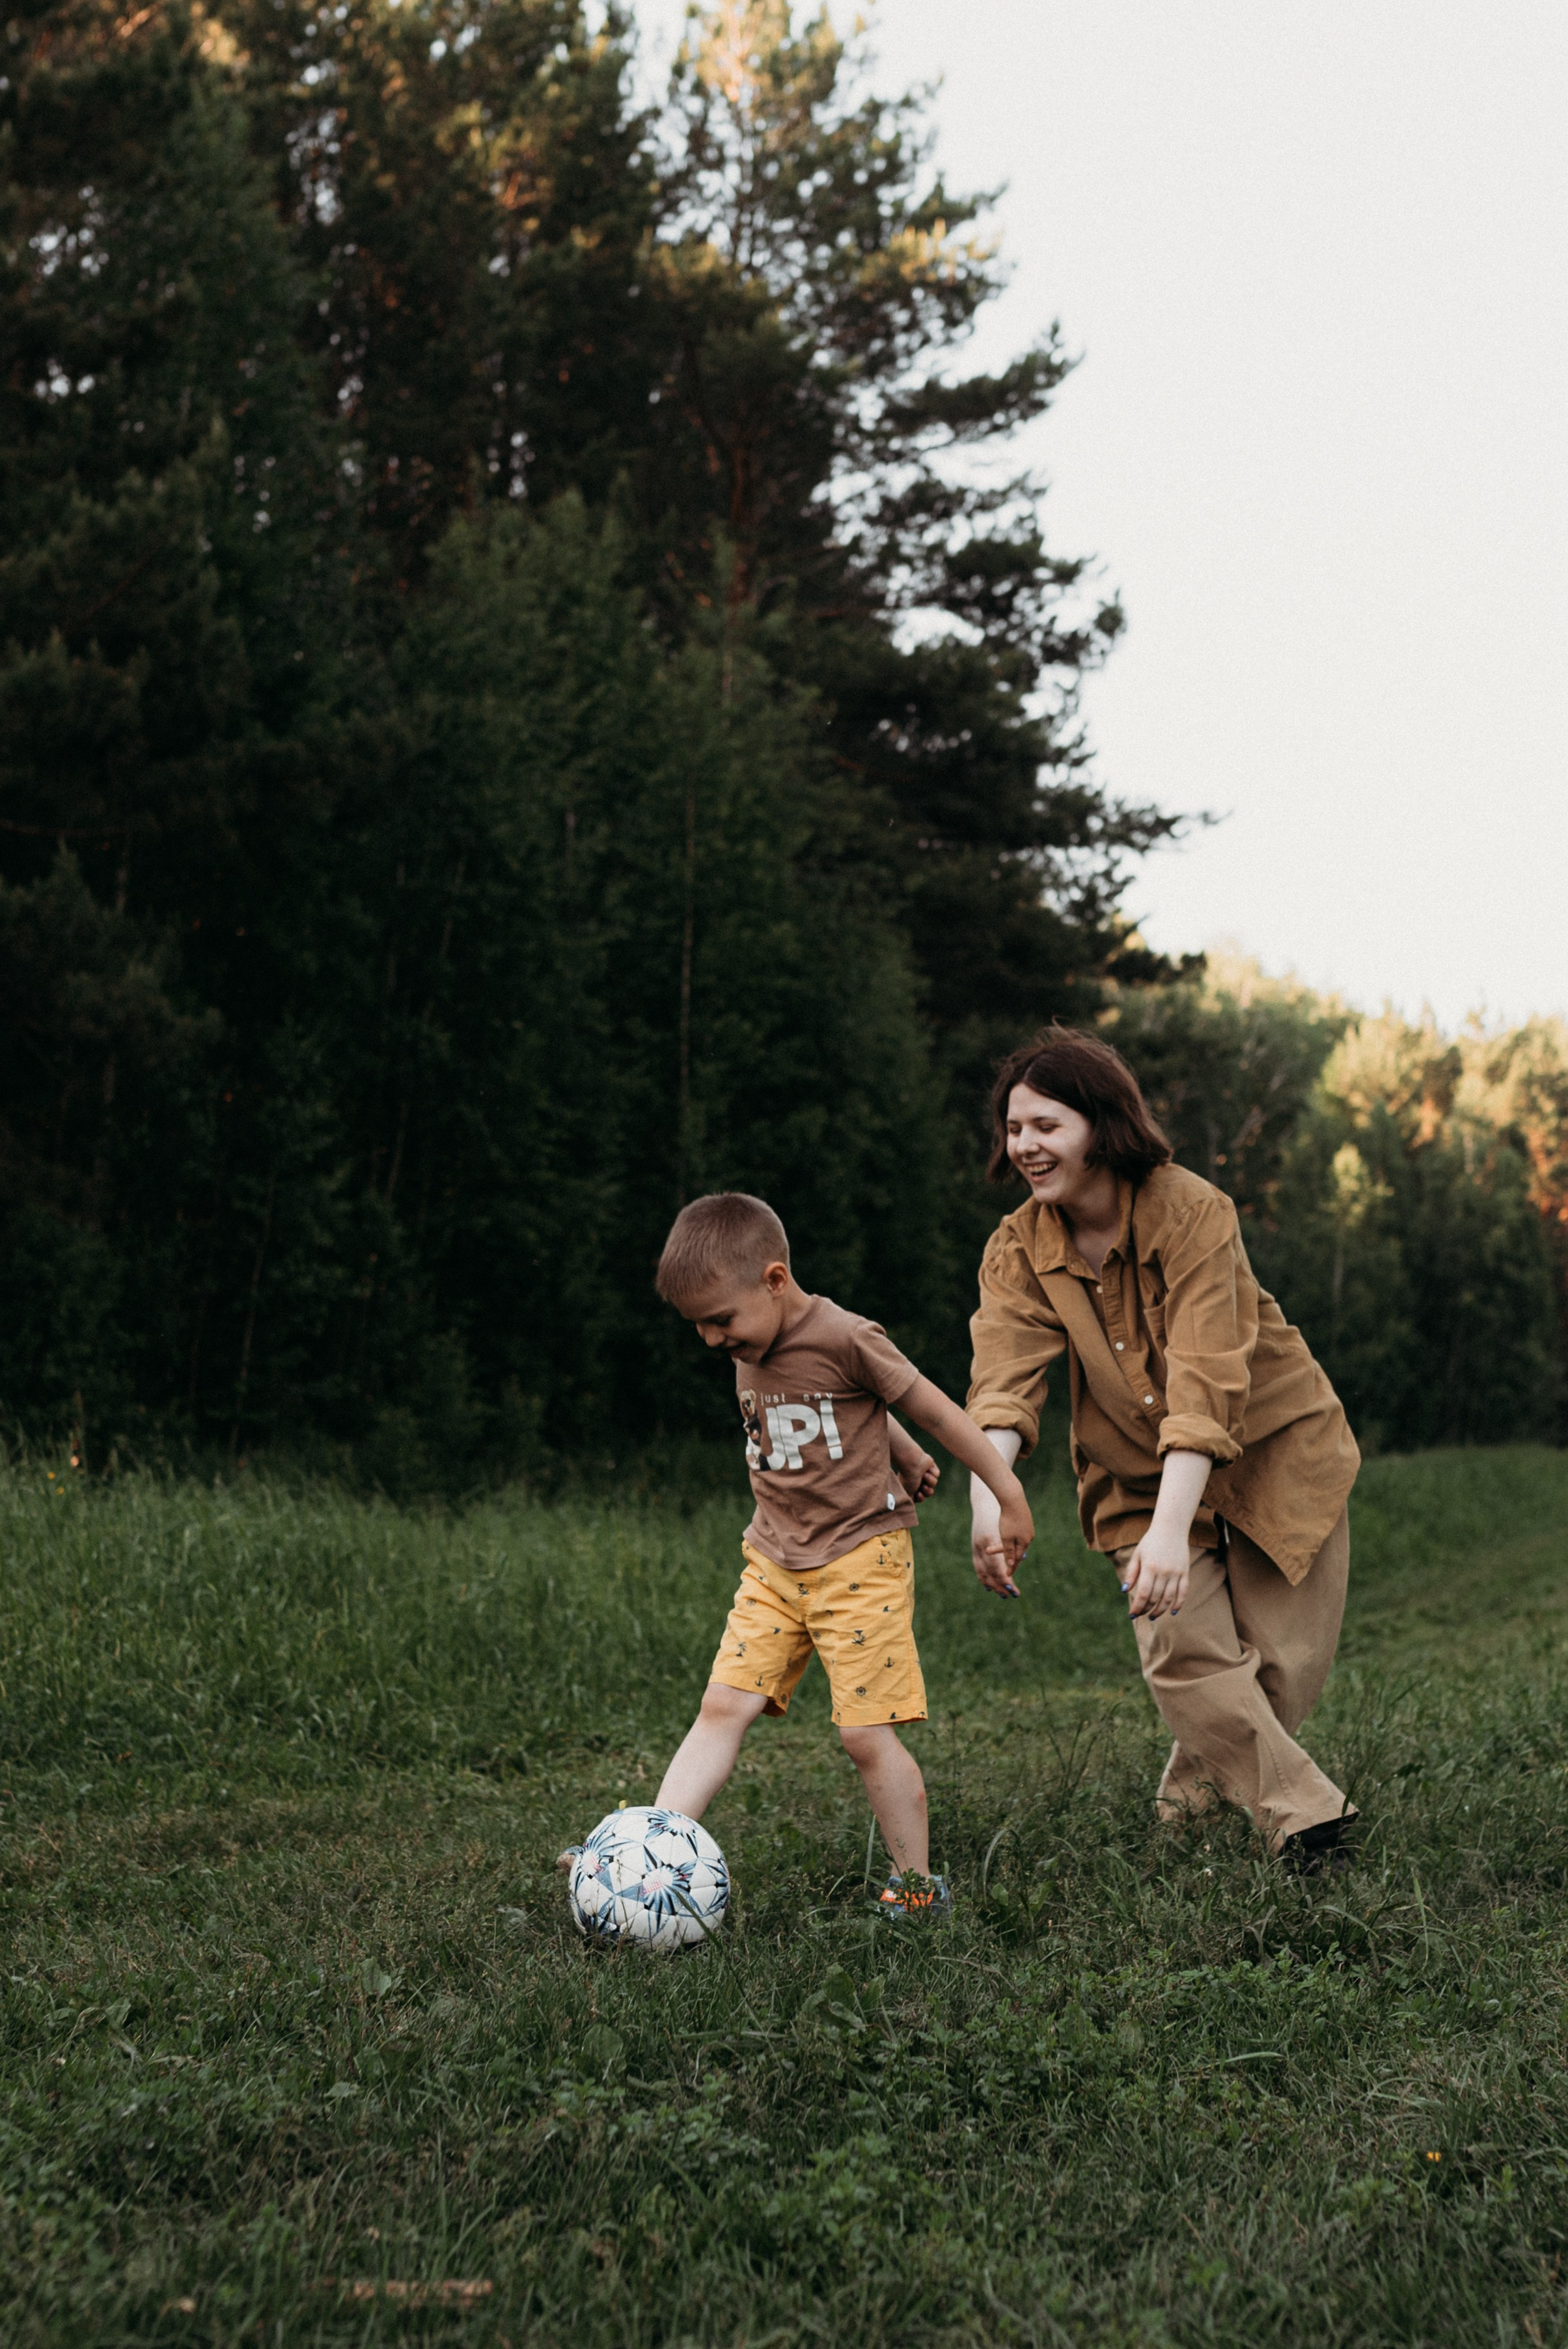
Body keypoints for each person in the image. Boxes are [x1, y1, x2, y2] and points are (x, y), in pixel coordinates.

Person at [965, 1026, 1361, 1875]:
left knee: (1280, 1670)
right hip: (1135, 1479)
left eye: (1046, 1125)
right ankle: (1309, 1825)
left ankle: (1191, 1821)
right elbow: (1001, 1383)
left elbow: (1207, 1376)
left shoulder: (1193, 1212)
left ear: (1101, 1125)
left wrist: (1176, 1521)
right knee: (1182, 1647)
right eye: (1014, 1127)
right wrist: (990, 1499)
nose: (1025, 1145)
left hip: (1275, 1449)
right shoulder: (1018, 1250)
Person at [632, 1190, 1032, 1919]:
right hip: (774, 1557)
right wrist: (902, 1457)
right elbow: (839, 1413)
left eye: (721, 1321)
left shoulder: (847, 1335)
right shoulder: (748, 1339)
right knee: (722, 1703)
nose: (713, 1340)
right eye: (698, 1327)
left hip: (860, 1558)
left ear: (775, 1280)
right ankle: (649, 1850)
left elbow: (927, 1405)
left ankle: (915, 1890)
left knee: (862, 1733)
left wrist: (1005, 1492)